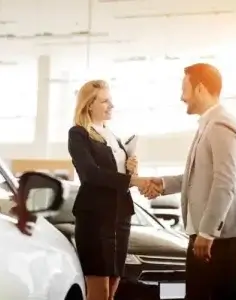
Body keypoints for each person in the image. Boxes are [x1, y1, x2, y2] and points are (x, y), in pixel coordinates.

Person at [141, 63, 236, 300]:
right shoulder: (209, 124)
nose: (182, 98)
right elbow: (200, 176)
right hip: (211, 234)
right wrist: (163, 183)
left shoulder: (221, 124)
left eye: (185, 89)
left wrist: (208, 232)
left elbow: (225, 181)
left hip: (219, 237)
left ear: (200, 88)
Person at [68, 80, 148, 300]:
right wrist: (131, 181)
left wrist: (131, 169)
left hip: (120, 217)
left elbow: (119, 173)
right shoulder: (79, 134)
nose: (111, 106)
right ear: (89, 104)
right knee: (99, 290)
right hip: (95, 219)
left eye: (110, 101)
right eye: (105, 101)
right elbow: (90, 174)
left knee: (113, 287)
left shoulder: (112, 135)